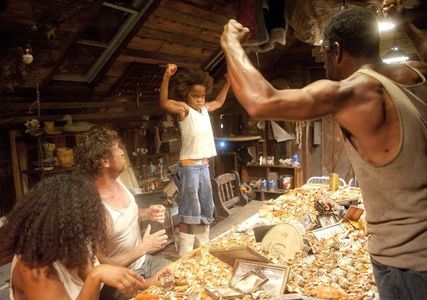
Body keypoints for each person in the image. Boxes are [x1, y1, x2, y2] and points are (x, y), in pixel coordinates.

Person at [221, 0, 427, 298]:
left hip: (406, 263)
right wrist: (406, 23)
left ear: (337, 50)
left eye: (324, 54)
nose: (325, 63)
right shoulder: (417, 74)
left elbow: (260, 101)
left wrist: (230, 44)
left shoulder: (357, 90)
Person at [4, 173, 170, 300]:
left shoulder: (73, 244)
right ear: (61, 226)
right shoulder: (33, 269)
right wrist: (95, 276)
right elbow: (95, 277)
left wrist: (146, 284)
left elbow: (105, 285)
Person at [74, 126, 171, 299]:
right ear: (105, 161)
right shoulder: (95, 207)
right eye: (117, 148)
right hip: (120, 281)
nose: (122, 152)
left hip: (144, 263)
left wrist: (147, 213)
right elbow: (103, 264)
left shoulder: (118, 182)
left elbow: (124, 218)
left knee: (180, 274)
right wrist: (144, 247)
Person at [160, 64, 230, 256]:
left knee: (206, 205)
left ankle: (203, 246)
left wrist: (228, 82)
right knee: (190, 209)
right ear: (187, 95)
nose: (199, 100)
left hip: (204, 166)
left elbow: (220, 102)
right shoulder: (184, 110)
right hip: (189, 167)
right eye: (195, 96)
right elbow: (165, 102)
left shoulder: (205, 109)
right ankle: (185, 251)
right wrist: (166, 76)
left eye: (202, 96)